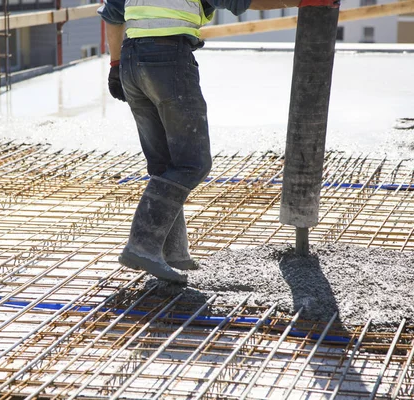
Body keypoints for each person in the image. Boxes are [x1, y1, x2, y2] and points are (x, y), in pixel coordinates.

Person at [99, 0, 325, 284]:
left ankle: (173, 254)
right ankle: (142, 246)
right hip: (168, 59)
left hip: (132, 61)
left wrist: (116, 64)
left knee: (164, 164)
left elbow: (112, 15)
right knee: (192, 163)